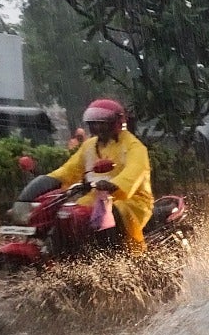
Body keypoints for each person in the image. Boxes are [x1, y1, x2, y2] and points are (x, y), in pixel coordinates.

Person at [48, 99, 154, 253]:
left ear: (116, 123)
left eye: (102, 123)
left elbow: (134, 171)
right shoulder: (89, 145)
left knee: (113, 214)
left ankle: (114, 260)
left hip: (131, 201)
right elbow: (68, 171)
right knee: (67, 216)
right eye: (93, 123)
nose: (97, 127)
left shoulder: (134, 147)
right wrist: (47, 181)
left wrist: (114, 185)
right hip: (96, 198)